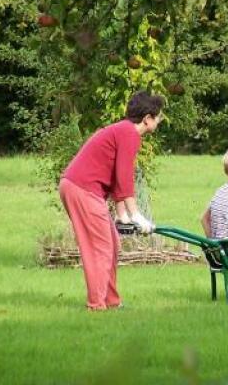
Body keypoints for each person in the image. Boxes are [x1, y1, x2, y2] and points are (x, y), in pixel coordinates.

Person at [59, 91, 163, 311]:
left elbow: (116, 176)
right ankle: (96, 305)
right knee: (100, 248)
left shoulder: (124, 131)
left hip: (82, 188)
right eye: (158, 116)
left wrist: (121, 214)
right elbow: (124, 175)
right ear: (147, 118)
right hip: (82, 188)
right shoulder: (130, 133)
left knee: (112, 244)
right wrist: (136, 215)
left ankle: (111, 301)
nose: (160, 120)